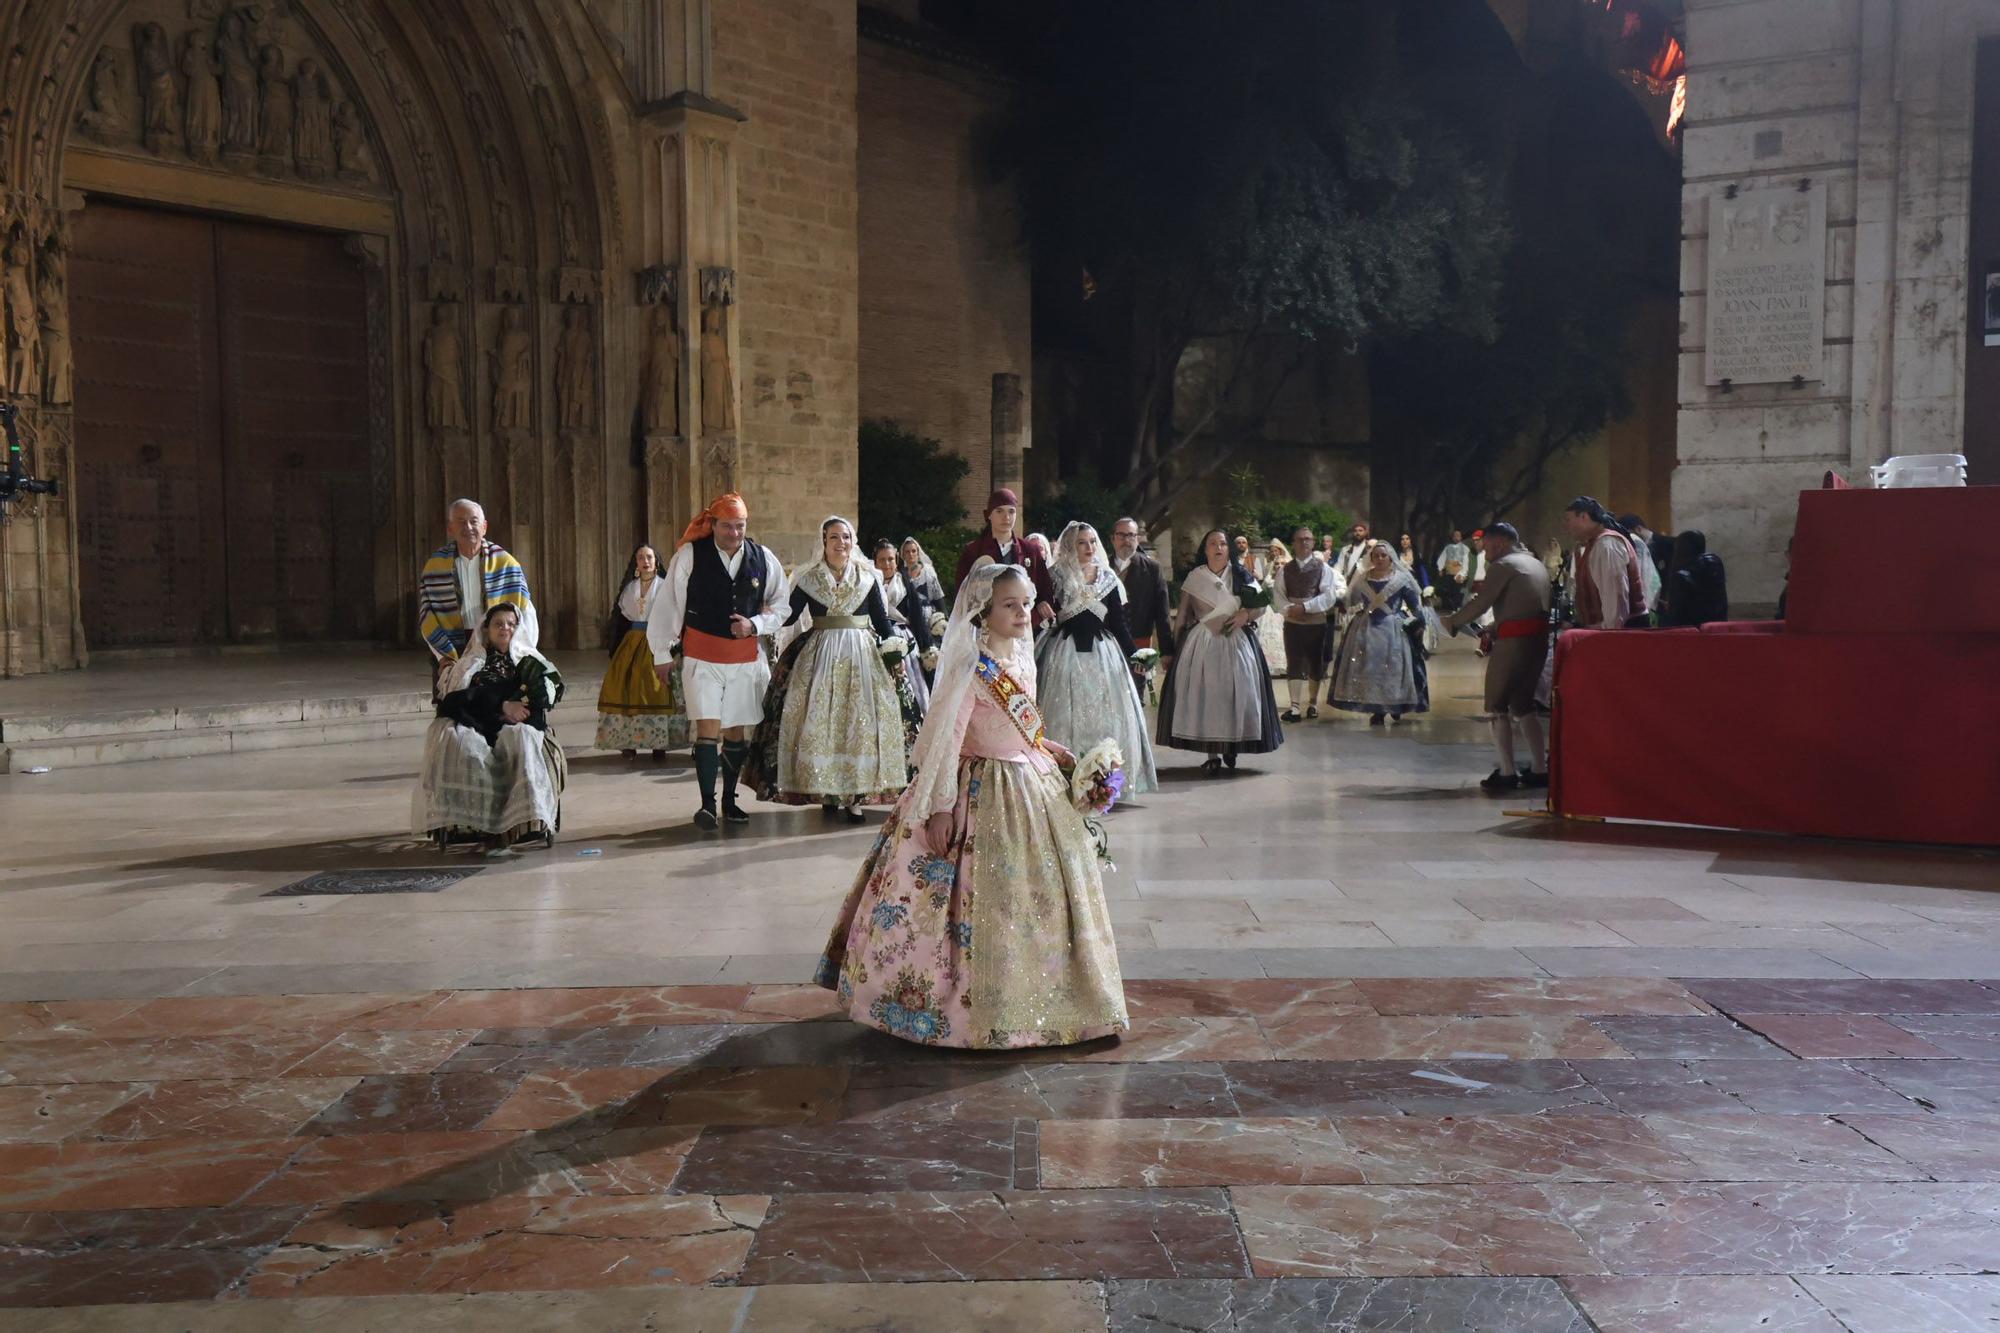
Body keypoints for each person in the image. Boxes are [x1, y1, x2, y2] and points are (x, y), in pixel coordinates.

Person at [815, 563, 1129, 1049]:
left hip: (1029, 782)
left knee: (1038, 901)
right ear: (984, 611)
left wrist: (1052, 750)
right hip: (979, 789)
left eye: (1026, 602)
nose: (1023, 611)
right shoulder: (971, 668)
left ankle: (1049, 1000)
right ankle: (959, 1012)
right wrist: (940, 807)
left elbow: (1025, 730)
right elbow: (946, 741)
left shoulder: (1025, 656)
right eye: (1010, 604)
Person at [744, 517, 911, 823]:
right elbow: (790, 614)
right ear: (824, 542)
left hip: (862, 656)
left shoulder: (867, 578)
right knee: (822, 723)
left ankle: (855, 797)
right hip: (819, 656)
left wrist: (893, 649)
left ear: (853, 541)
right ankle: (827, 792)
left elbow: (882, 618)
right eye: (834, 537)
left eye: (846, 537)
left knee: (859, 724)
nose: (840, 543)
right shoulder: (809, 579)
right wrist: (759, 617)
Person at [649, 493, 790, 830]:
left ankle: (729, 800)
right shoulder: (690, 555)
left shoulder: (763, 558)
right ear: (712, 524)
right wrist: (661, 652)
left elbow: (781, 605)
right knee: (707, 728)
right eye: (727, 526)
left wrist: (755, 624)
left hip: (744, 659)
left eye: (740, 526)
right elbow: (669, 605)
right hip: (702, 657)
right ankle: (706, 805)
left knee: (736, 732)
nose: (734, 533)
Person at [414, 603, 566, 849]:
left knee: (522, 739)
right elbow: (453, 703)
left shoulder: (531, 663)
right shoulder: (470, 664)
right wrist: (502, 705)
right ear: (487, 630)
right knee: (459, 743)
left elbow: (538, 708)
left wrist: (516, 712)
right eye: (498, 624)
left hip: (517, 727)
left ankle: (520, 822)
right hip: (478, 724)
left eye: (510, 623)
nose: (505, 628)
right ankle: (478, 821)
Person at [1036, 522, 1158, 796]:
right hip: (1065, 653)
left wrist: (1135, 654)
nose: (1089, 547)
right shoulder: (1055, 576)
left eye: (1092, 541)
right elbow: (1043, 614)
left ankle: (1106, 781)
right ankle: (1066, 780)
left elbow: (1118, 623)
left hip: (1104, 655)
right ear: (1070, 545)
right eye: (1082, 542)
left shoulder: (1107, 578)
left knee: (1109, 715)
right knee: (1064, 714)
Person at [1155, 529, 1284, 775]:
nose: (1218, 547)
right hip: (1202, 643)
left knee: (1235, 692)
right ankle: (1212, 753)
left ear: (1229, 549)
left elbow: (1260, 605)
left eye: (1223, 543)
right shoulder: (1195, 577)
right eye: (1212, 543)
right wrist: (1171, 649)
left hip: (1236, 642)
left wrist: (1245, 614)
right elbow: (1182, 615)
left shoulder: (1241, 574)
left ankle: (1232, 743)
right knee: (1206, 696)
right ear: (1205, 550)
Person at [1443, 524, 1552, 792]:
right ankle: (1540, 768)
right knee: (1525, 705)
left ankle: (1506, 772)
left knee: (1496, 705)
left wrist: (1453, 622)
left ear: (1501, 542)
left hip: (1513, 643)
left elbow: (1482, 603)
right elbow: (1524, 606)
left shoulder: (1504, 566)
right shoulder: (1534, 563)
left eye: (1487, 544)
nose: (1483, 549)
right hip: (1536, 641)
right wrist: (1494, 627)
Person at [417, 499, 536, 696]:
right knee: (454, 709)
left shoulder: (506, 563)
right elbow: (428, 617)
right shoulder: (435, 566)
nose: (469, 527)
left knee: (496, 708)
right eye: (461, 522)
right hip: (453, 645)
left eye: (474, 521)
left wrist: (520, 651)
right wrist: (444, 657)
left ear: (484, 526)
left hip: (497, 644)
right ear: (450, 528)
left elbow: (525, 610)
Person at [596, 541, 688, 758]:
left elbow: (674, 618)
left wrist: (673, 645)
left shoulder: (666, 586)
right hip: (633, 643)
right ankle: (628, 742)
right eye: (641, 558)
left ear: (656, 561)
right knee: (626, 689)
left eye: (649, 557)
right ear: (635, 563)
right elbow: (621, 620)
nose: (645, 561)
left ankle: (659, 743)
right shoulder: (629, 588)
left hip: (658, 642)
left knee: (658, 688)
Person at [1330, 539, 1429, 725]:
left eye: (1384, 555)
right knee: (1372, 668)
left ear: (1391, 557)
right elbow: (1350, 600)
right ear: (1371, 558)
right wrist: (1334, 598)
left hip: (1394, 629)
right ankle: (1378, 708)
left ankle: (1396, 703)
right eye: (1376, 556)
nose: (1380, 558)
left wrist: (1420, 622)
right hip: (1367, 628)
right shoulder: (1363, 578)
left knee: (1394, 668)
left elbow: (1415, 605)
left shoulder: (1401, 579)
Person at [1271, 525, 1343, 722]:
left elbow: (1328, 596)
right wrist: (1290, 610)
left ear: (1313, 543)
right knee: (1293, 661)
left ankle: (1312, 703)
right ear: (1293, 544)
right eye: (1300, 539)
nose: (1304, 542)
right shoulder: (1285, 570)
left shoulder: (1323, 569)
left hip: (1316, 622)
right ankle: (1294, 707)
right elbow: (1278, 596)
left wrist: (1305, 607)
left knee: (1315, 663)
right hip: (1293, 622)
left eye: (1308, 539)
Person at [954, 488, 1054, 622]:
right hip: (986, 629)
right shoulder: (973, 551)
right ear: (989, 514)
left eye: (1011, 511)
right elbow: (962, 594)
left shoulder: (1031, 550)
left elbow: (1044, 590)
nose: (1006, 517)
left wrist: (1039, 609)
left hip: (1023, 625)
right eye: (999, 511)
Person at [1563, 497, 1650, 630]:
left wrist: (1601, 631)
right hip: (1609, 632)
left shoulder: (1607, 545)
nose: (1566, 526)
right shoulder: (1595, 544)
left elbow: (1616, 608)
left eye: (1568, 519)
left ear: (1584, 517)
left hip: (1625, 635)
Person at [875, 539, 936, 703]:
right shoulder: (871, 583)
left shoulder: (904, 581)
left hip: (905, 638)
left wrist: (927, 645)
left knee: (913, 683)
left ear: (896, 560)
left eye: (890, 559)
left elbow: (916, 614)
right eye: (882, 560)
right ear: (875, 562)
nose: (887, 564)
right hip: (879, 639)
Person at [1109, 516, 1173, 652]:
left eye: (1131, 535)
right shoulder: (1102, 568)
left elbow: (1162, 613)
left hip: (1140, 642)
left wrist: (1166, 651)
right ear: (1112, 539)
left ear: (1137, 539)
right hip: (1107, 643)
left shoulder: (1152, 568)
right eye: (1121, 535)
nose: (1126, 540)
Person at [1656, 529, 1730, 628]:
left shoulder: (1682, 576)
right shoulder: (1715, 565)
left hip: (1691, 632)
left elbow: (1676, 614)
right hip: (1716, 628)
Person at [1255, 538, 1290, 671]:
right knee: (1268, 635)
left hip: (1283, 610)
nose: (1278, 566)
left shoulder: (1289, 579)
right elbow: (1262, 592)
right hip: (1269, 610)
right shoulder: (1269, 578)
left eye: (1281, 564)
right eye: (1277, 564)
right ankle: (1269, 665)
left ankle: (1285, 665)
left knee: (1283, 636)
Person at [1435, 529, 1472, 613]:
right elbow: (1442, 558)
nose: (1456, 537)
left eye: (1458, 536)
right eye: (1454, 536)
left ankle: (1457, 608)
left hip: (1460, 573)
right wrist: (1440, 568)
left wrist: (1464, 572)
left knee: (1458, 592)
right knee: (1449, 590)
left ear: (1461, 537)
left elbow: (1467, 561)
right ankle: (1450, 608)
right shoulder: (1448, 548)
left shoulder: (1465, 548)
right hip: (1449, 572)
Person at [1397, 532, 1434, 598]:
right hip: (1400, 584)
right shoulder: (1397, 555)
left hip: (1414, 583)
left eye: (1407, 539)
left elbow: (1421, 570)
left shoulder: (1416, 554)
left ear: (1410, 541)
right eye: (1402, 539)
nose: (1404, 541)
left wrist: (1426, 585)